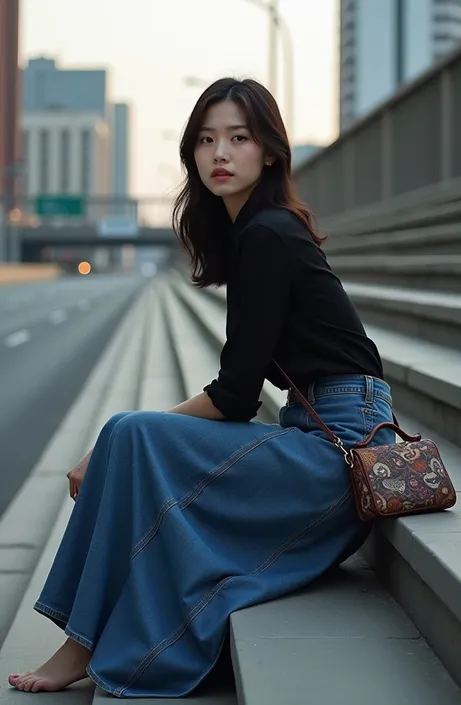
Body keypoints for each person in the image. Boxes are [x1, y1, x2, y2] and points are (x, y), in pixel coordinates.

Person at [9, 77, 394, 698]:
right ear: (191, 153)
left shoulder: (268, 234)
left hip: (340, 452)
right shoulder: (257, 233)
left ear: (269, 151)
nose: (220, 154)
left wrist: (108, 453)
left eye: (238, 139)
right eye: (206, 140)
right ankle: (85, 640)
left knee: (128, 434)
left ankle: (81, 645)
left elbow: (236, 397)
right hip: (320, 432)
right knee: (130, 438)